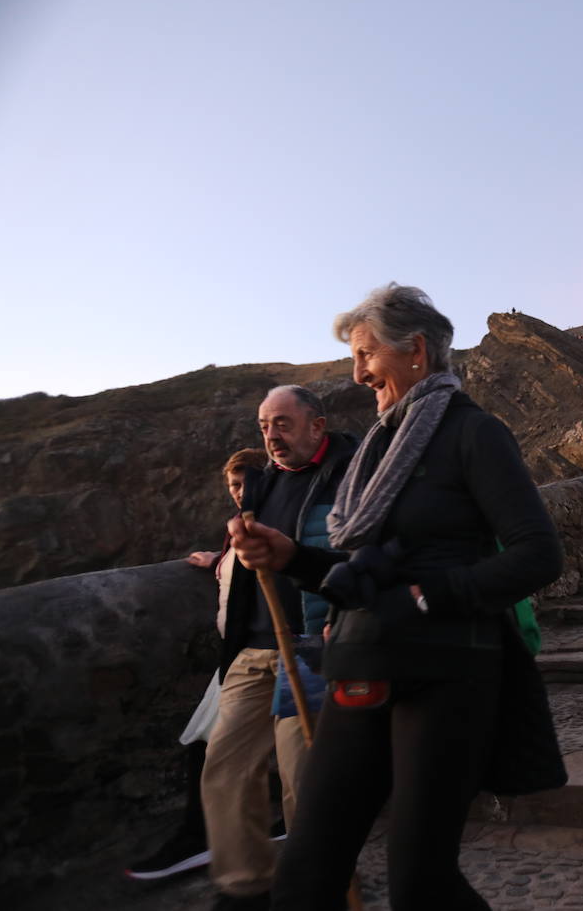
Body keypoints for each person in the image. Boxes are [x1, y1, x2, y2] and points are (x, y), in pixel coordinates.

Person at [229, 283, 565, 910]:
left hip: (446, 672)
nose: (357, 375)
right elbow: (366, 569)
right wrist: (292, 557)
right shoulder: (380, 447)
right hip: (362, 660)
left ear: (415, 351)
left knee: (419, 881)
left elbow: (538, 554)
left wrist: (426, 596)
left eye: (366, 355)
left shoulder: (475, 433)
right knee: (306, 868)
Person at [202, 387, 357, 911]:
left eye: (283, 424)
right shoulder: (261, 485)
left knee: (303, 782)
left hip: (311, 648)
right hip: (253, 648)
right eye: (265, 425)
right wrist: (226, 551)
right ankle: (245, 885)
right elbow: (250, 551)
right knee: (224, 769)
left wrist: (342, 616)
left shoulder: (349, 474)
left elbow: (361, 554)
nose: (271, 436)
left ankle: (315, 889)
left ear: (317, 425)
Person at [125, 448, 270, 883]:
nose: (238, 492)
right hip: (238, 656)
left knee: (212, 747)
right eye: (233, 485)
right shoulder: (238, 534)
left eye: (245, 483)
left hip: (255, 655)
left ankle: (202, 841)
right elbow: (242, 580)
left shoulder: (270, 527)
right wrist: (218, 562)